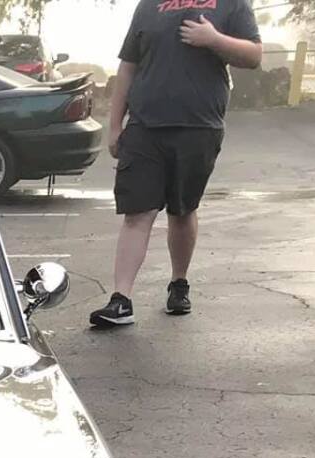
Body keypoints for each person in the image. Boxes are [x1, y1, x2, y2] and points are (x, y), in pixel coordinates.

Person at [90, 0, 264, 328]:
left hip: (198, 126)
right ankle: (121, 299)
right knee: (137, 212)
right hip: (144, 127)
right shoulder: (148, 5)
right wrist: (114, 125)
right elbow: (128, 66)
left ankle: (179, 282)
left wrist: (214, 40)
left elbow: (254, 55)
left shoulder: (232, 4)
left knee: (182, 211)